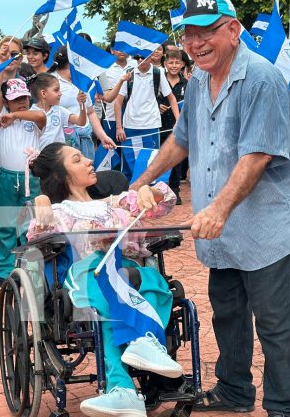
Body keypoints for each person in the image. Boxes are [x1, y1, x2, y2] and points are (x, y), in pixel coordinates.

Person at [132, 0, 290, 416]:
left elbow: (257, 156)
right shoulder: (198, 78)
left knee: (275, 325)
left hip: (269, 229)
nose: (196, 43)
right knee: (227, 315)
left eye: (208, 32)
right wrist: (139, 182)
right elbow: (182, 138)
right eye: (189, 34)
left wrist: (217, 209)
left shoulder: (261, 78)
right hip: (222, 231)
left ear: (233, 29)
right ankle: (234, 392)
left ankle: (284, 407)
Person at [28, 142, 182, 416]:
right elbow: (35, 240)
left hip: (131, 276)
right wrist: (41, 203)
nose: (89, 161)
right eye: (77, 160)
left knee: (145, 278)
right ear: (62, 175)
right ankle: (143, 341)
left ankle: (125, 384)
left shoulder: (120, 202)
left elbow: (167, 200)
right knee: (104, 272)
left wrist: (151, 191)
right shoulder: (59, 211)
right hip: (89, 280)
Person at [0, 77, 46, 289]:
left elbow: (40, 116)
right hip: (6, 179)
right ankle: (3, 272)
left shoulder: (34, 118)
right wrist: (2, 64)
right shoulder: (0, 118)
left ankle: (31, 270)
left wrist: (16, 114)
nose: (22, 102)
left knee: (31, 225)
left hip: (30, 177)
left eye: (24, 98)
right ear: (5, 102)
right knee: (6, 225)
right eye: (15, 99)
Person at [114, 55, 179, 182]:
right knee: (129, 167)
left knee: (151, 164)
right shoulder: (128, 74)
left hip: (152, 126)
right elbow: (118, 102)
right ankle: (129, 198)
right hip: (130, 126)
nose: (140, 60)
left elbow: (171, 97)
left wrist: (178, 120)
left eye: (143, 57)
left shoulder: (157, 73)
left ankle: (149, 196)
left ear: (151, 56)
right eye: (137, 57)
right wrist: (119, 127)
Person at [49, 47, 116, 159]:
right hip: (60, 144)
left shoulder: (81, 81)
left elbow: (90, 112)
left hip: (85, 140)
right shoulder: (50, 81)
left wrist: (103, 136)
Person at [159, 49, 187, 203]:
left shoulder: (186, 83)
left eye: (177, 63)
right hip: (160, 126)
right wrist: (158, 106)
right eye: (171, 62)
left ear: (182, 64)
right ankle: (160, 191)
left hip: (178, 127)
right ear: (165, 64)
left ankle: (175, 191)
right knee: (160, 158)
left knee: (175, 160)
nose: (174, 65)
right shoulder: (159, 81)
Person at [32, 72, 87, 148]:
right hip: (42, 158)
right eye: (56, 90)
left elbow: (81, 122)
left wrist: (82, 105)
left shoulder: (60, 110)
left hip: (59, 156)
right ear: (43, 93)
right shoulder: (30, 113)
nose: (60, 93)